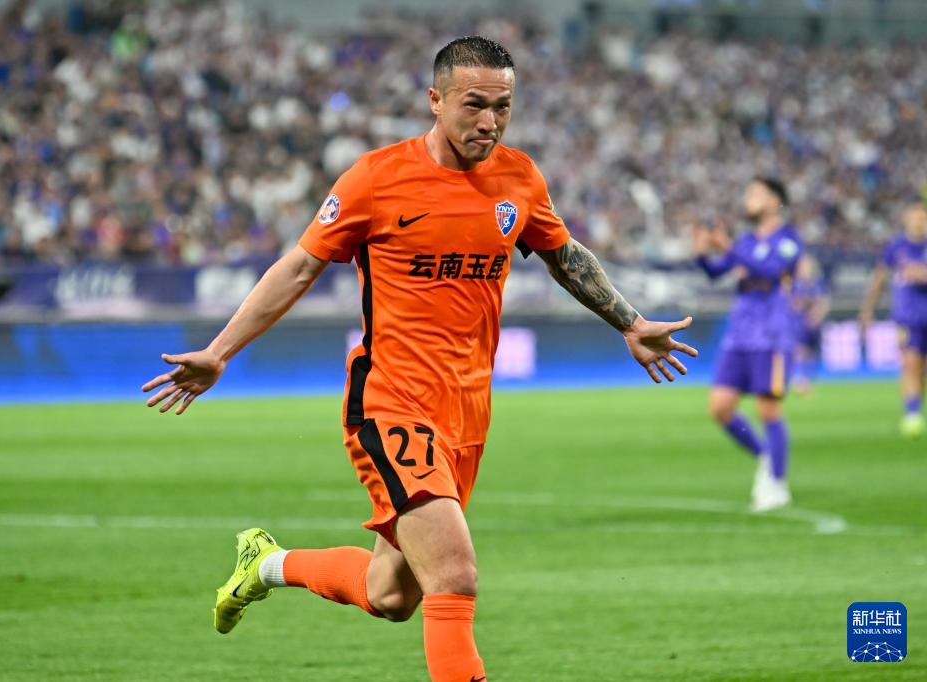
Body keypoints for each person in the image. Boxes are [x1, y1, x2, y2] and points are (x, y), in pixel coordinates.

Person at [142, 36, 697, 682]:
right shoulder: (376, 178)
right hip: (392, 402)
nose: (489, 121)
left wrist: (630, 322)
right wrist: (218, 351)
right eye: (473, 104)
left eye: (503, 106)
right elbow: (297, 268)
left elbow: (563, 254)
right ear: (435, 100)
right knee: (454, 575)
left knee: (392, 594)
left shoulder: (520, 177)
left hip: (469, 413)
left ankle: (265, 565)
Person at [693, 178, 803, 512]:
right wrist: (702, 252)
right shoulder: (746, 242)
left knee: (768, 409)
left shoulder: (788, 240)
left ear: (774, 201)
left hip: (770, 336)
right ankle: (767, 456)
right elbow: (715, 272)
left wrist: (728, 248)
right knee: (720, 408)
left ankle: (777, 484)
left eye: (755, 193)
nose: (748, 198)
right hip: (738, 336)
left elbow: (771, 273)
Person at [860, 203, 927, 437]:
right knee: (910, 362)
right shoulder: (896, 247)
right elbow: (880, 279)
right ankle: (912, 414)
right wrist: (868, 310)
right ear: (906, 218)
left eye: (922, 216)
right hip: (907, 317)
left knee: (921, 369)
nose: (918, 221)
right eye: (915, 216)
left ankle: (915, 406)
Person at [789, 254, 830, 397]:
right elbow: (792, 303)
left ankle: (808, 381)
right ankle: (800, 381)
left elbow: (824, 302)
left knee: (813, 353)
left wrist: (817, 315)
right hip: (798, 323)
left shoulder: (818, 283)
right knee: (800, 351)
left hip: (814, 324)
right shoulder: (794, 283)